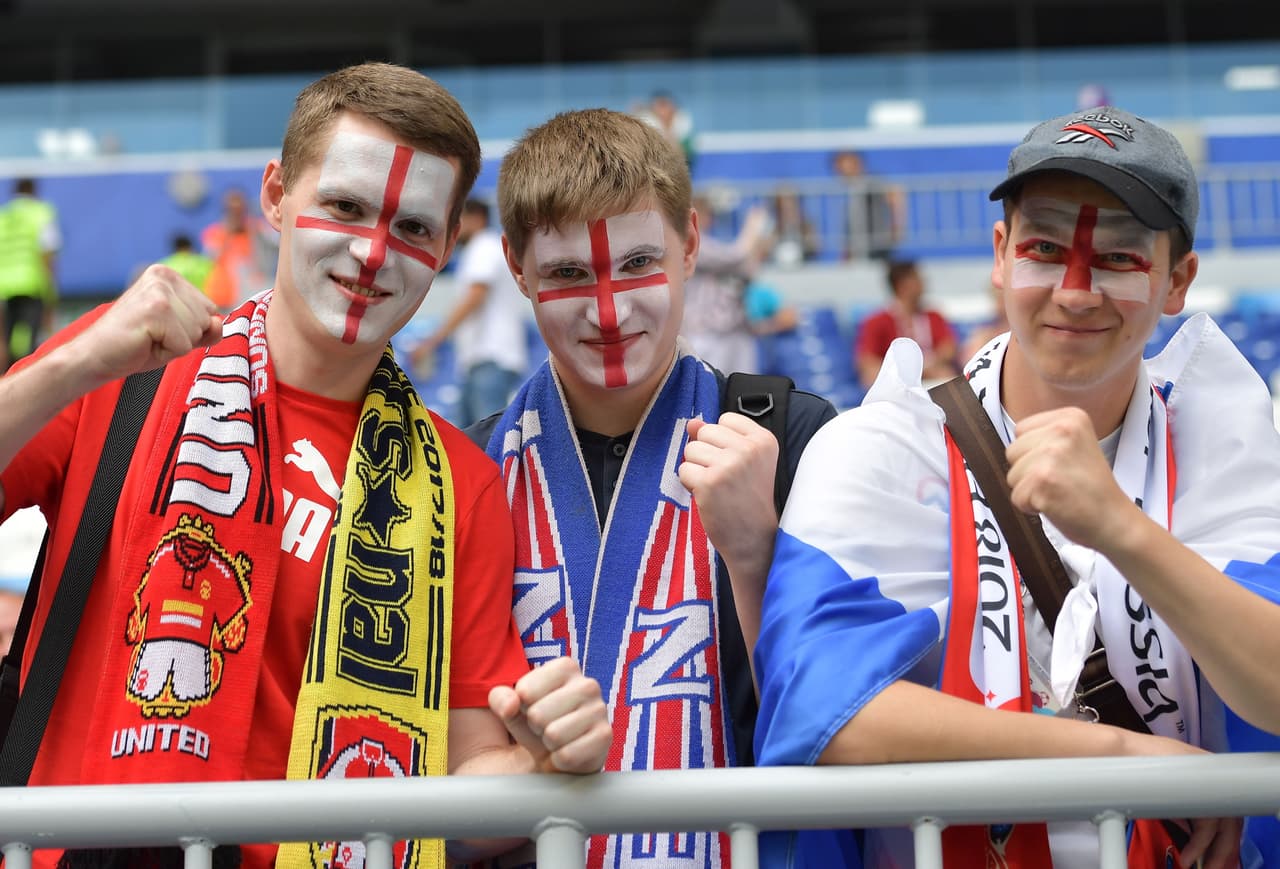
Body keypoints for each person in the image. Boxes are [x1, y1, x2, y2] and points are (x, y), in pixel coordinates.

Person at [0, 62, 611, 869]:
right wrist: (71, 366)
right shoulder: (115, 369)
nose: (371, 255)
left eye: (414, 229)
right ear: (276, 195)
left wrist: (545, 762)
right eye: (346, 208)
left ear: (445, 246)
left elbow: (465, 774)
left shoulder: (461, 483)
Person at [755, 106, 1280, 868]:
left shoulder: (1228, 447)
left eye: (1119, 257)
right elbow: (822, 713)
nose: (1074, 291)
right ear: (1000, 255)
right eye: (1044, 247)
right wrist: (1121, 759)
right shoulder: (876, 449)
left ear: (1178, 281)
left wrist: (1120, 529)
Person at [469, 107, 837, 868]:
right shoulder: (469, 465)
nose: (611, 312)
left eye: (638, 263)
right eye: (570, 273)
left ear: (692, 244)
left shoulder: (793, 434)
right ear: (516, 267)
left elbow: (837, 722)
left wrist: (753, 553)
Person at [409, 198, 528, 427]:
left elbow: (475, 296)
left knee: (488, 443)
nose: (455, 226)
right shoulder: (486, 248)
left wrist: (432, 341)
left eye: (459, 218)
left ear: (477, 218)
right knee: (469, 440)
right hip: (483, 361)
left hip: (490, 358)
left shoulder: (482, 247)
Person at [682, 195, 773, 374]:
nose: (706, 220)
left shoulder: (712, 244)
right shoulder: (689, 245)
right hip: (705, 333)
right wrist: (752, 228)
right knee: (712, 388)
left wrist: (760, 245)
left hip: (737, 331)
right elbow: (736, 255)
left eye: (707, 215)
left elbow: (747, 270)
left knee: (743, 391)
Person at [854, 258, 959, 388]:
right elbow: (867, 360)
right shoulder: (876, 321)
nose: (922, 282)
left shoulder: (933, 316)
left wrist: (927, 366)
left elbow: (948, 348)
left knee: (947, 376)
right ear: (901, 285)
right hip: (896, 382)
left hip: (931, 374)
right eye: (916, 278)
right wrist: (901, 375)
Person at [0, 178, 61, 366]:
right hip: (30, 285)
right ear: (34, 192)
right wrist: (51, 292)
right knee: (28, 345)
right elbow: (47, 254)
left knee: (7, 341)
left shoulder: (3, 217)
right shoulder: (41, 214)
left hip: (4, 287)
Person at [201, 187, 276, 309]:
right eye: (232, 211)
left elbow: (274, 245)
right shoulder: (216, 233)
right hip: (220, 296)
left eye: (240, 211)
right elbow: (210, 259)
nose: (236, 215)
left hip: (248, 297)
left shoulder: (256, 231)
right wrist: (227, 234)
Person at [831, 150, 904, 261]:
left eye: (845, 166)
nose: (841, 171)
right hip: (860, 246)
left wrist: (896, 228)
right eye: (839, 167)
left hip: (876, 242)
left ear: (858, 164)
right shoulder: (851, 189)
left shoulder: (871, 182)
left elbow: (895, 193)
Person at [158, 233, 215, 299]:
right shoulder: (205, 263)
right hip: (203, 302)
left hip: (177, 303)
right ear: (190, 246)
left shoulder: (165, 264)